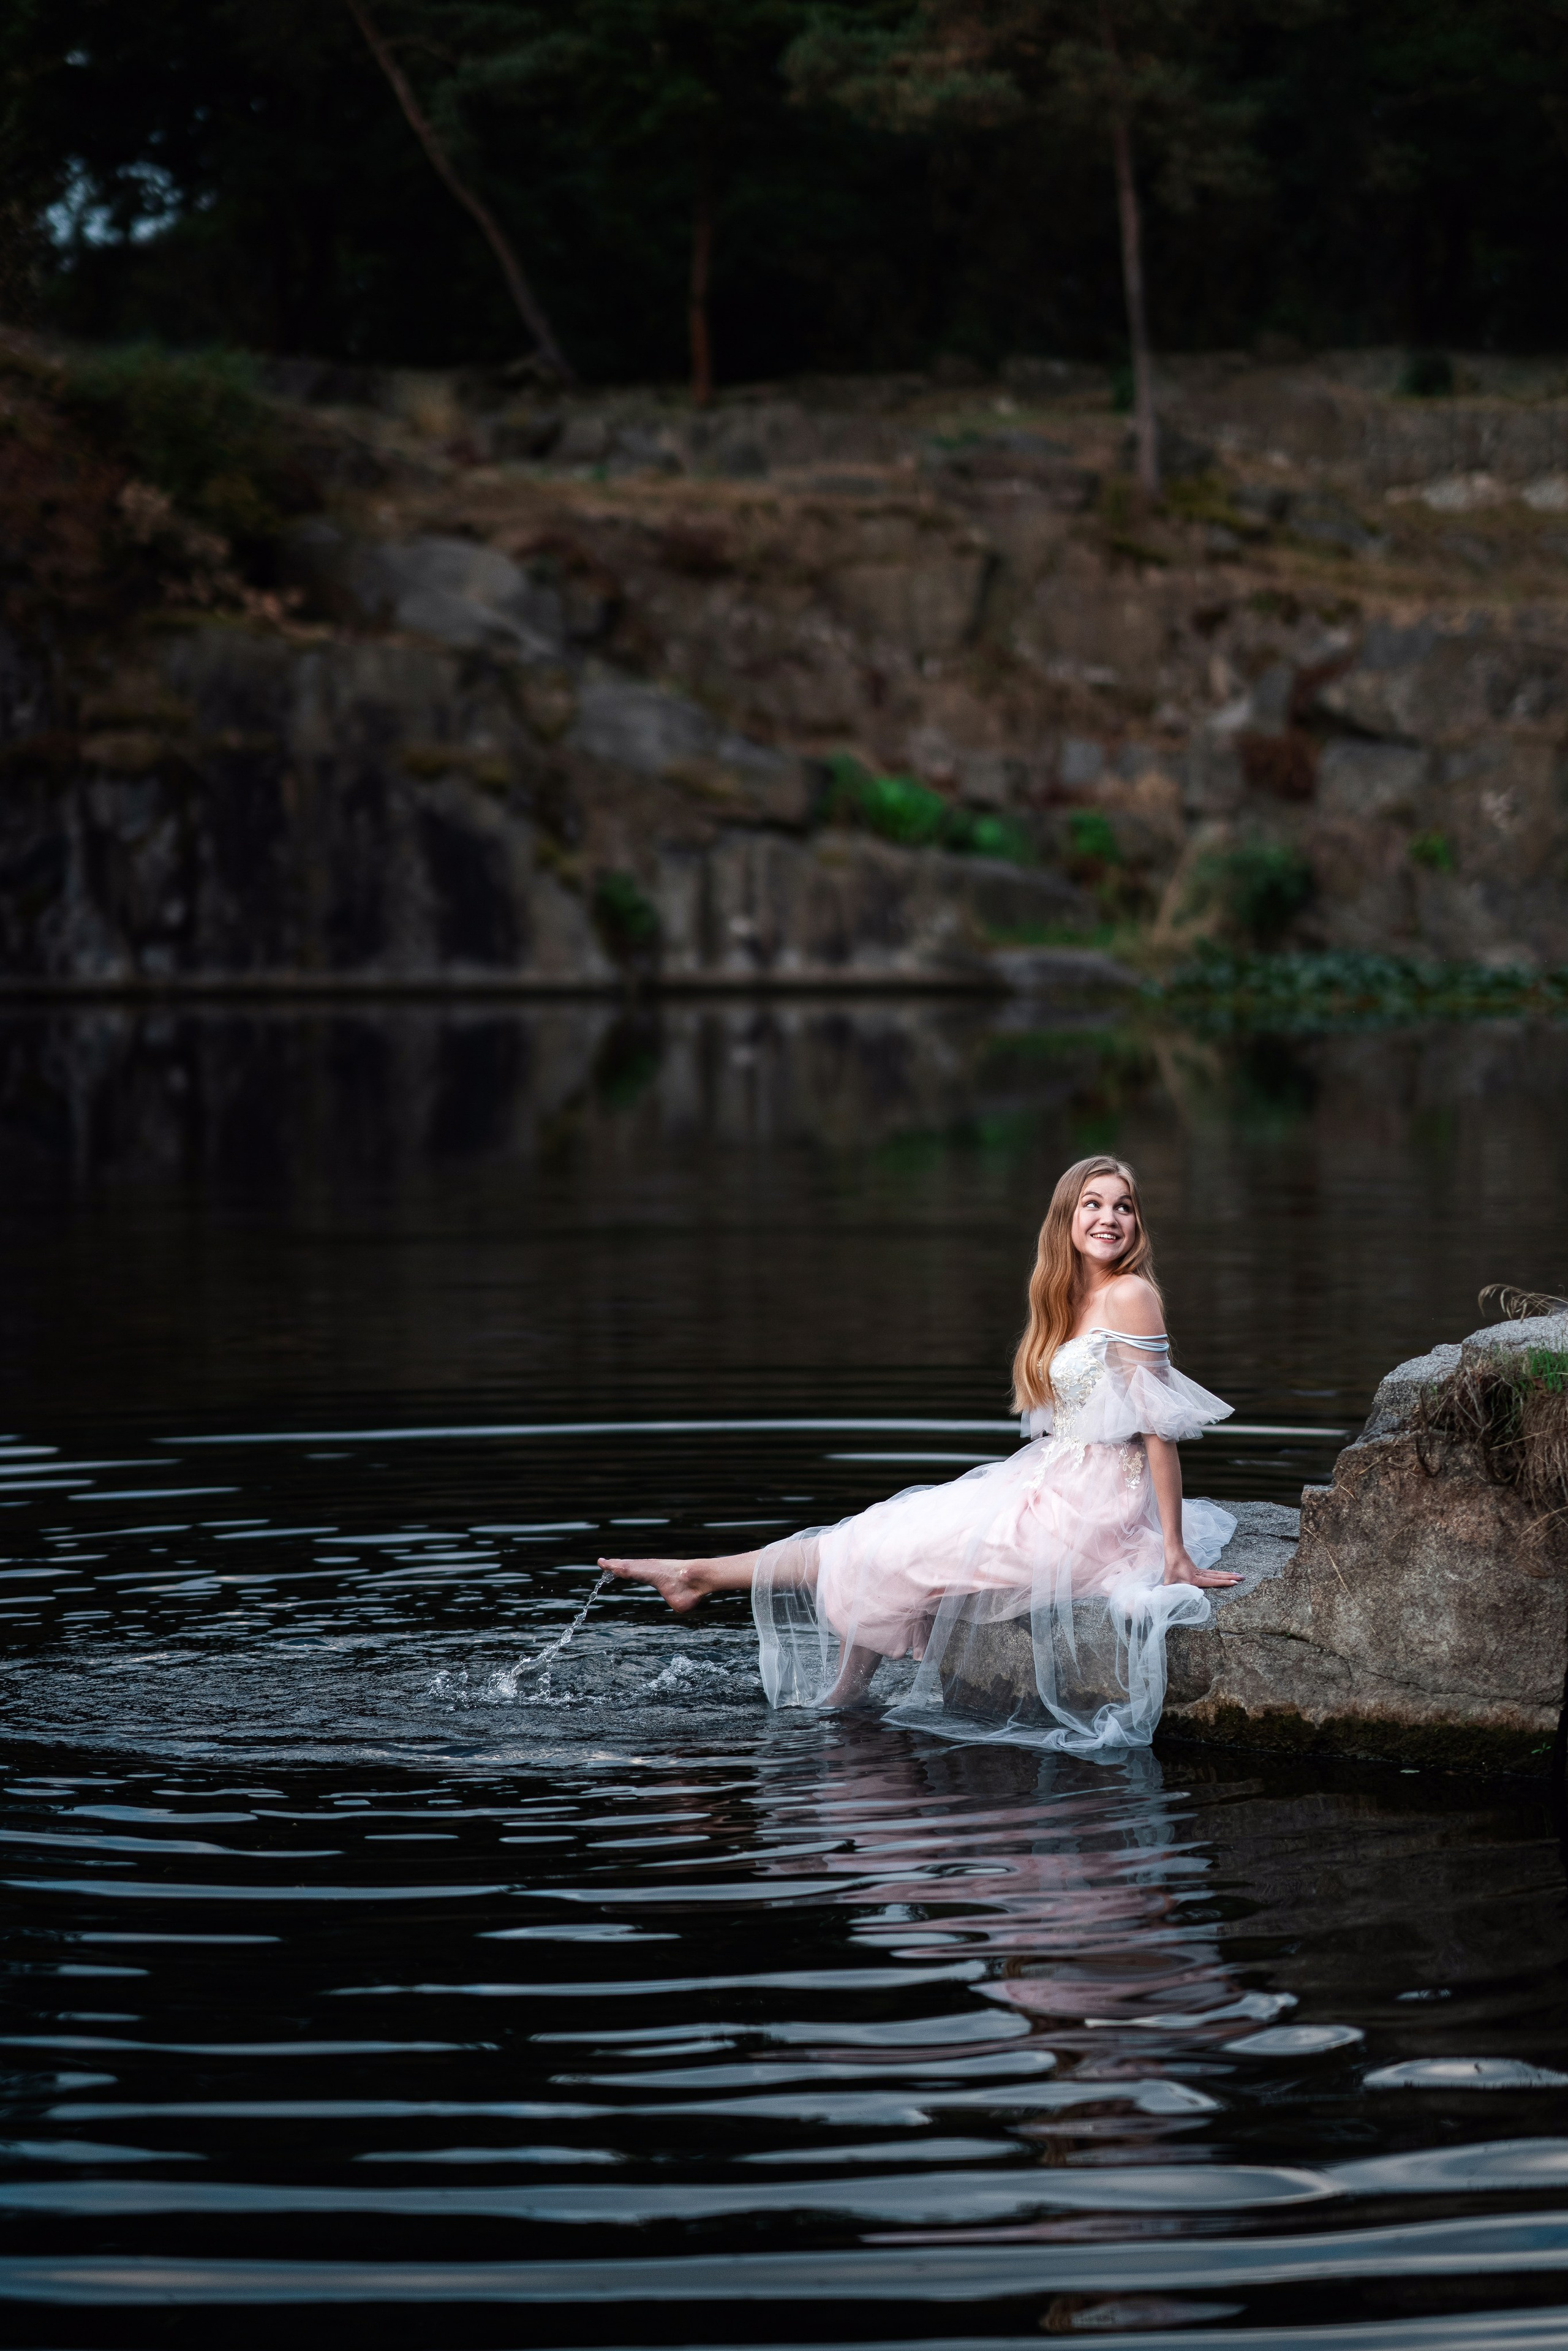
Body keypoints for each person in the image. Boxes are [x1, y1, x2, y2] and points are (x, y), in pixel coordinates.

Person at [601, 1154, 1242, 1754]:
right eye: (1093, 1204)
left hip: (1093, 1508)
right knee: (878, 1531)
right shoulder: (1063, 1296)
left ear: (1136, 1221)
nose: (1109, 1218)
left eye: (1123, 1206)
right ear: (1066, 1220)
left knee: (898, 1551)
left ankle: (803, 1666)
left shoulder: (1131, 1295)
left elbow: (1158, 1431)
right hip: (1048, 1477)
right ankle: (703, 1578)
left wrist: (1173, 1550)